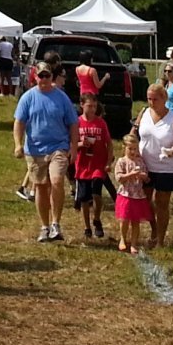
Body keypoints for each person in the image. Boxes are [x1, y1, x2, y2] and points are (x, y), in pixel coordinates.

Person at [13, 61, 80, 242]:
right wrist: (18, 144)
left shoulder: (61, 98)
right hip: (35, 150)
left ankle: (55, 224)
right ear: (35, 77)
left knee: (57, 180)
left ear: (52, 77)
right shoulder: (28, 97)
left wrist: (73, 147)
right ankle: (44, 226)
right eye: (40, 75)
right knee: (41, 187)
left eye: (47, 76)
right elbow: (19, 122)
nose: (43, 79)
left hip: (58, 146)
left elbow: (73, 124)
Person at [135, 81, 173, 242]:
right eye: (149, 99)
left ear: (164, 98)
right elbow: (134, 132)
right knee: (145, 199)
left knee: (162, 203)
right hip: (145, 165)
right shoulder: (144, 113)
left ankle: (160, 239)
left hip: (166, 168)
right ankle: (154, 229)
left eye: (155, 99)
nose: (151, 102)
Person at [72, 92, 114, 240]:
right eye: (89, 106)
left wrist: (108, 162)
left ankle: (96, 219)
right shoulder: (77, 123)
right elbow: (71, 144)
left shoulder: (101, 123)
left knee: (97, 194)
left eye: (95, 106)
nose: (92, 109)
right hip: (83, 166)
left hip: (98, 165)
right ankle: (87, 226)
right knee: (84, 199)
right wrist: (81, 144)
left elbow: (109, 144)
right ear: (82, 105)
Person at [113, 145, 152, 253]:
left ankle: (134, 243)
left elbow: (147, 178)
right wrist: (131, 174)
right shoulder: (122, 161)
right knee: (124, 219)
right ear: (124, 148)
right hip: (125, 194)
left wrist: (143, 176)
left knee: (136, 221)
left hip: (138, 195)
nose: (133, 151)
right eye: (130, 149)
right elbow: (119, 178)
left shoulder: (140, 162)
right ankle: (123, 239)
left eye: (135, 149)